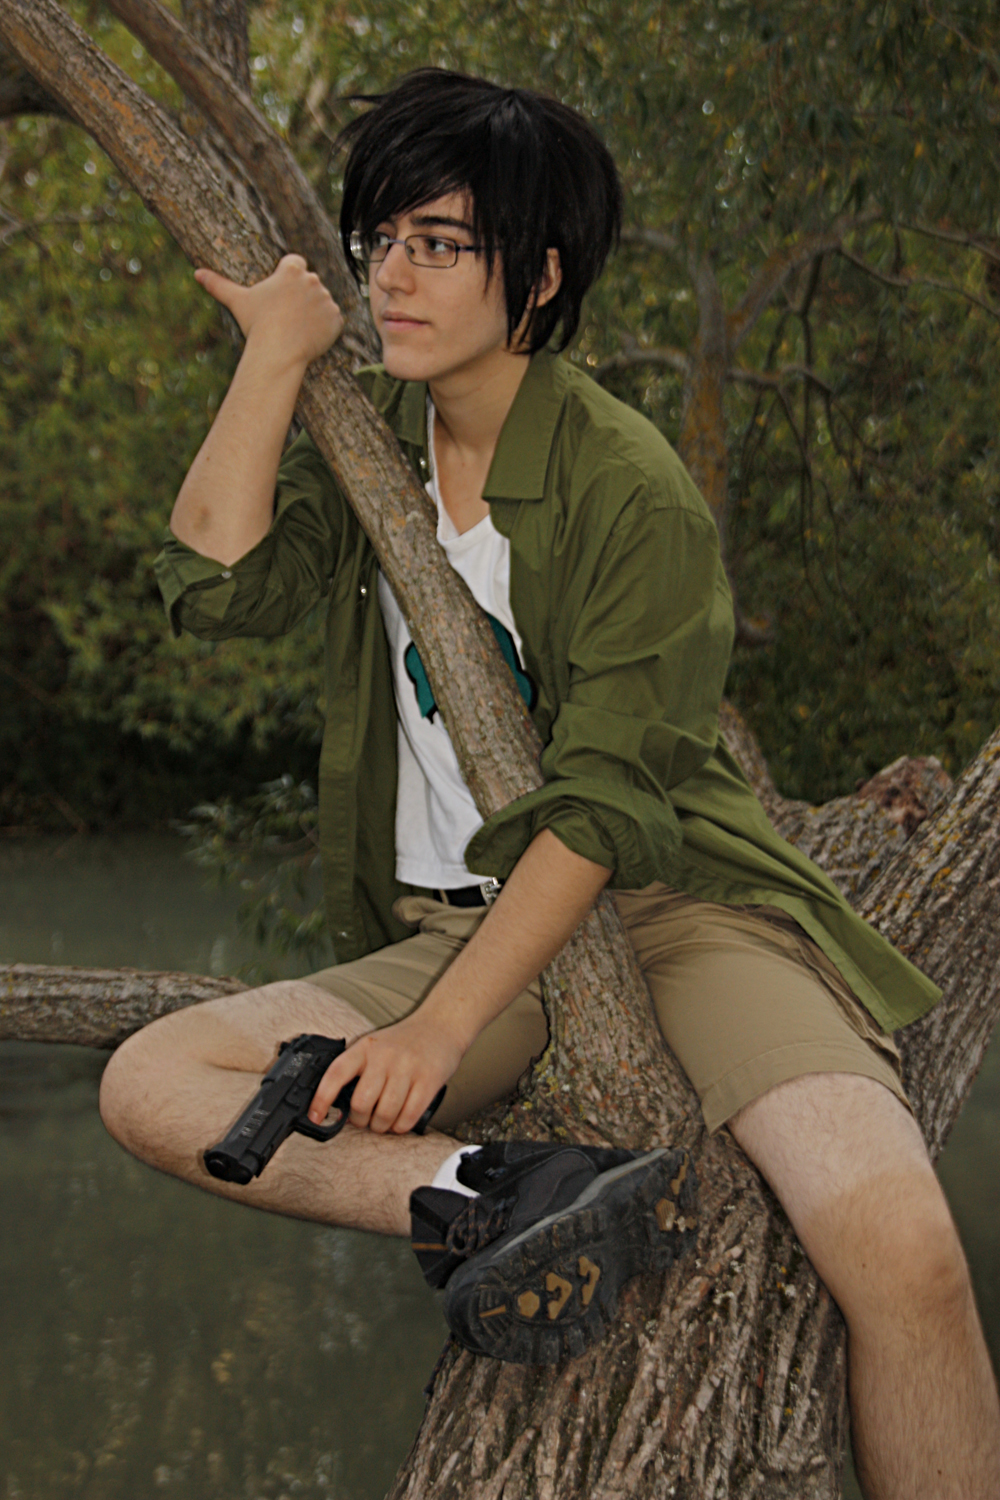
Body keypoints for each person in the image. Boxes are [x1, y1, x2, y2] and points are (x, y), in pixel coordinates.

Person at [99, 69, 999, 1496]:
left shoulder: (628, 487)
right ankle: (496, 1194)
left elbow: (604, 807)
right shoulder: (370, 443)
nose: (392, 277)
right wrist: (273, 354)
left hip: (675, 907)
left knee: (908, 1256)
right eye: (380, 241)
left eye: (439, 245)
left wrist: (439, 1033)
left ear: (542, 273)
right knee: (152, 1085)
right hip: (460, 925)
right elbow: (213, 585)